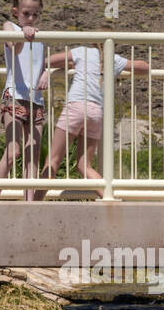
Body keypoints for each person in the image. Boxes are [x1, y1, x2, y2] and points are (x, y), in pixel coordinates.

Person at [37, 33, 149, 200]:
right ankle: (110, 198)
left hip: (76, 106)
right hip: (96, 112)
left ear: (92, 41)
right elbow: (144, 67)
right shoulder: (114, 59)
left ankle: (34, 202)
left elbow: (46, 60)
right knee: (84, 165)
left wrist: (49, 71)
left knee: (53, 160)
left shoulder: (82, 52)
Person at [0, 0, 47, 201]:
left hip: (36, 101)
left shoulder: (40, 36)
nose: (31, 19)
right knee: (13, 151)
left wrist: (47, 73)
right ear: (16, 13)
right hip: (14, 96)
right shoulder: (10, 27)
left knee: (32, 156)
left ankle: (29, 204)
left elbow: (41, 65)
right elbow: (14, 47)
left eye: (35, 14)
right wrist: (23, 34)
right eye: (26, 14)